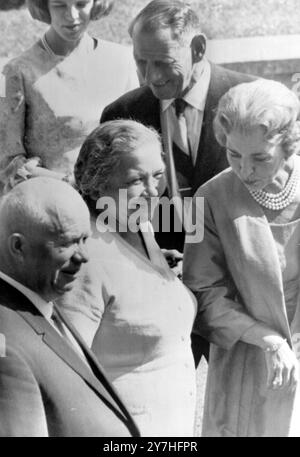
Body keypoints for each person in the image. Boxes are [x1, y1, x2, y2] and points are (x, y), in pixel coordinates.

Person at [58, 119, 197, 437]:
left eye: (158, 175)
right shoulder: (84, 260)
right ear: (98, 184)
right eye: (136, 180)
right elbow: (66, 370)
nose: (153, 192)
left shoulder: (139, 224)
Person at [183, 79, 300, 437]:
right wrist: (268, 339)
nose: (245, 171)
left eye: (260, 158)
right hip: (248, 359)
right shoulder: (207, 198)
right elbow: (203, 292)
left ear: (289, 145)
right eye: (234, 155)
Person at [100, 0, 255, 253]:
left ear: (198, 49)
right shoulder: (121, 115)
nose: (151, 77)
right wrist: (145, 253)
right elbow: (110, 208)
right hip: (159, 275)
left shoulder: (253, 101)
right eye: (141, 62)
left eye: (163, 62)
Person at [0, 177, 140, 437]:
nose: (83, 256)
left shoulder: (40, 297)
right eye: (67, 243)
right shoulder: (5, 343)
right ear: (18, 246)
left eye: (85, 239)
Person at [0, 0, 138, 192]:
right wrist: (71, 184)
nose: (72, 16)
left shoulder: (123, 60)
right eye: (60, 5)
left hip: (116, 201)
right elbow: (7, 162)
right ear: (44, 6)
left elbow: (139, 141)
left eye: (81, 4)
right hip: (51, 201)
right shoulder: (16, 72)